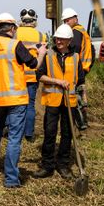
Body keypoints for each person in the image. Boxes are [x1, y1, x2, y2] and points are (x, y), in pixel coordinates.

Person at [0, 12, 44, 188]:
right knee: (15, 138)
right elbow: (34, 65)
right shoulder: (15, 45)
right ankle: (11, 179)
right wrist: (41, 53)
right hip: (16, 98)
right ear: (12, 28)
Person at [32, 24, 82, 180]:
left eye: (62, 39)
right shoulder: (48, 55)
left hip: (70, 102)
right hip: (53, 100)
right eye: (57, 38)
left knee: (67, 134)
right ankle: (47, 166)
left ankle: (63, 165)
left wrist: (82, 97)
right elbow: (39, 76)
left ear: (69, 41)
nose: (59, 41)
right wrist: (57, 81)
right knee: (50, 133)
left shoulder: (75, 57)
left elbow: (80, 80)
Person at [14, 9, 48, 143]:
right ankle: (29, 134)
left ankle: (15, 130)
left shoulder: (15, 34)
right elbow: (43, 55)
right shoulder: (41, 36)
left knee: (16, 104)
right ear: (34, 21)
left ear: (22, 20)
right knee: (30, 104)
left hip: (18, 75)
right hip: (33, 75)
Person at [61, 8, 93, 129]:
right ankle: (83, 120)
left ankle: (80, 122)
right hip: (84, 67)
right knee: (81, 93)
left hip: (78, 68)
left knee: (76, 96)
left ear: (75, 18)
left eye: (68, 20)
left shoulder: (76, 32)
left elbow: (74, 48)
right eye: (65, 21)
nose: (66, 23)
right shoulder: (83, 31)